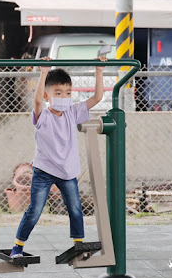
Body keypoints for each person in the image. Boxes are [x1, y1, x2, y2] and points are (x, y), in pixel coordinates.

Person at [10, 56, 107, 258]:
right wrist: (44, 72)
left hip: (67, 171)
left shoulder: (72, 112)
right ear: (47, 96)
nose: (64, 96)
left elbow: (96, 98)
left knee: (75, 207)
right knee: (35, 210)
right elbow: (36, 101)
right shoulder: (42, 116)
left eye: (68, 93)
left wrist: (99, 70)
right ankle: (17, 248)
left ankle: (79, 244)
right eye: (58, 93)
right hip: (44, 171)